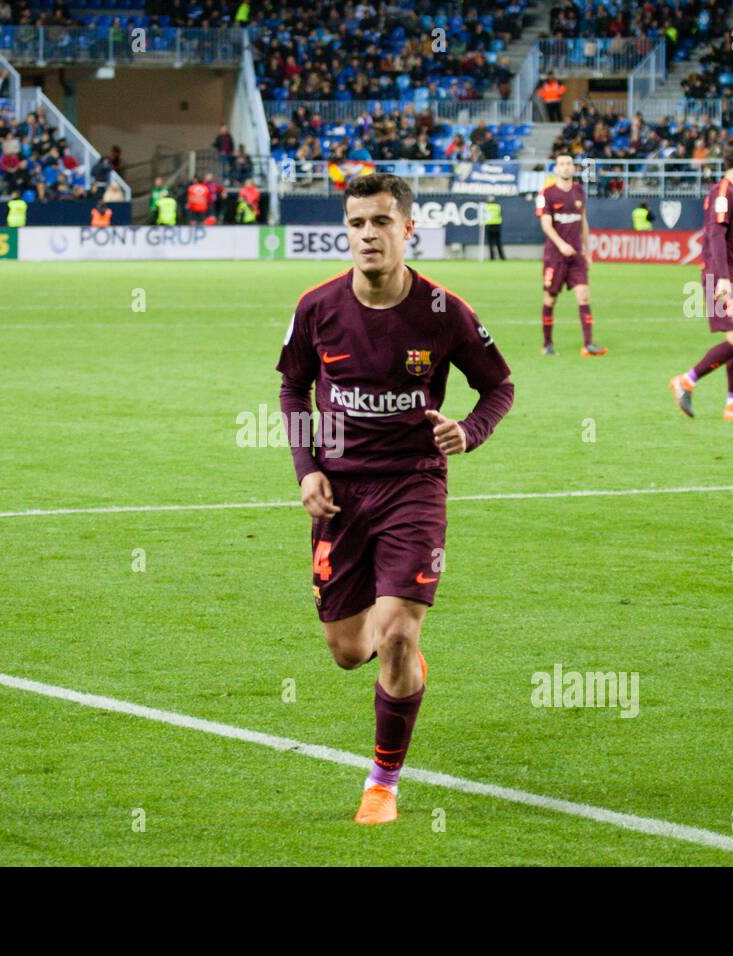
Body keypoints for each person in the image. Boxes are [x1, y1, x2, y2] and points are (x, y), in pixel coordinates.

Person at [276, 173, 514, 825]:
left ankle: (382, 782)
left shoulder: (444, 312)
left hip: (414, 486)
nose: (368, 235)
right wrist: (306, 471)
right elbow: (293, 391)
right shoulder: (317, 307)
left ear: (409, 229)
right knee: (351, 651)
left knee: (400, 635)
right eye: (357, 224)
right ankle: (396, 658)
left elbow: (499, 386)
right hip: (339, 496)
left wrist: (469, 430)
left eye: (381, 222)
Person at [669, 138, 733, 422]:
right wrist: (723, 280)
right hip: (722, 275)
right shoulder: (723, 193)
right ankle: (685, 381)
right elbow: (715, 236)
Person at [536, 153, 607, 357]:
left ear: (574, 168)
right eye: (562, 164)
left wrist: (588, 250)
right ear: (556, 169)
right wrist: (561, 244)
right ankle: (547, 344)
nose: (566, 167)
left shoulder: (579, 191)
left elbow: (583, 222)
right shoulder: (547, 193)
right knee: (550, 299)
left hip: (576, 255)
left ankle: (589, 344)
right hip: (555, 256)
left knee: (584, 296)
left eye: (569, 164)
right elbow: (546, 224)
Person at [484, 195, 504, 260]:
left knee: (491, 244)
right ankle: (502, 257)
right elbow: (500, 214)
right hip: (497, 226)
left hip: (489, 226)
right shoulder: (497, 206)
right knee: (498, 243)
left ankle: (492, 257)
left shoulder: (486, 207)